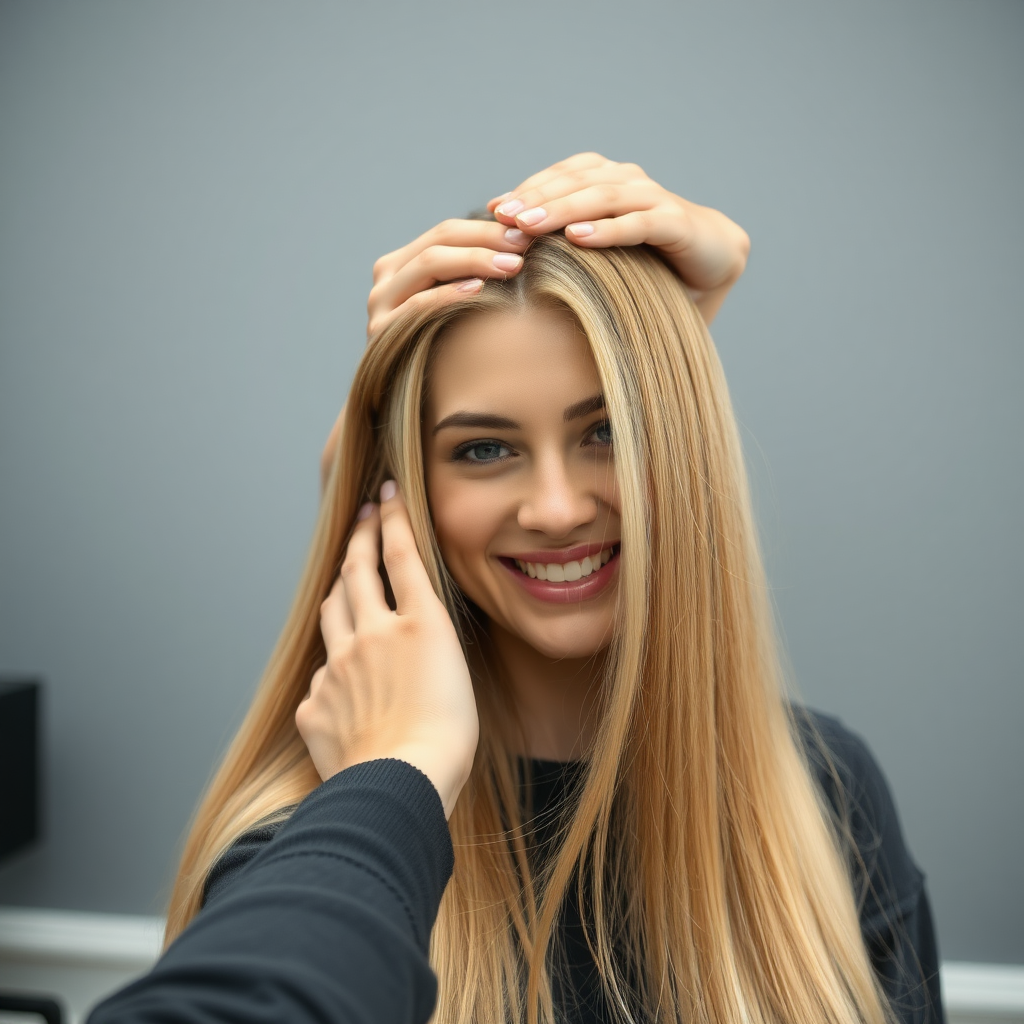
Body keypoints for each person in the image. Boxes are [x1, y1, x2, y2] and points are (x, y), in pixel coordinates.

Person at [90, 155, 943, 1024]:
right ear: (406, 495)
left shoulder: (825, 791)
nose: (557, 509)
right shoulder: (305, 842)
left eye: (607, 431)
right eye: (483, 449)